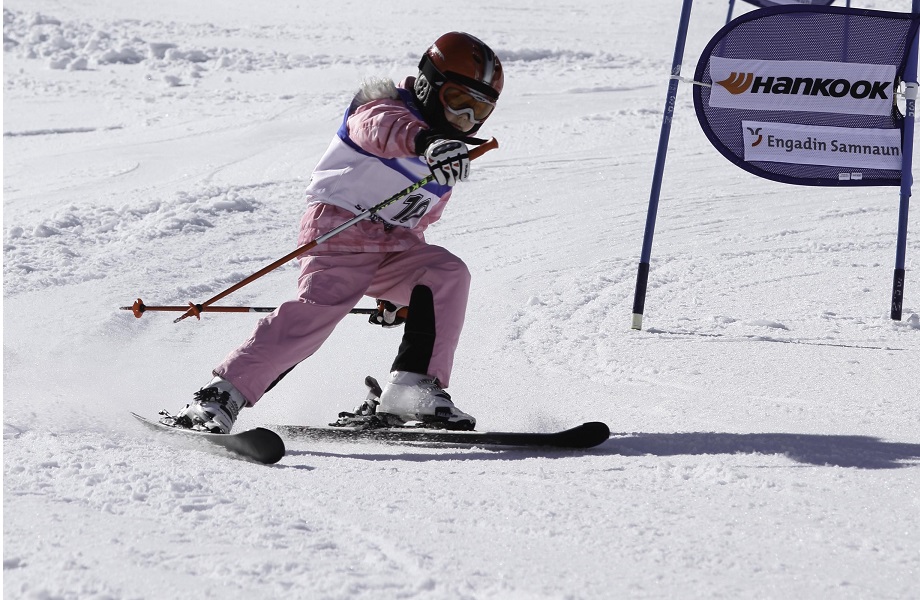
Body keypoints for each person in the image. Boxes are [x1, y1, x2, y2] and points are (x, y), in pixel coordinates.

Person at [170, 32, 504, 434]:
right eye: (458, 101)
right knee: (317, 313)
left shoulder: (447, 154)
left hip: (394, 246)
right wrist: (427, 142)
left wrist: (405, 295)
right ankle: (220, 396)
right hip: (340, 232)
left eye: (479, 110)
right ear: (427, 86)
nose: (466, 118)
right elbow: (377, 128)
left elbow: (418, 220)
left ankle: (412, 388)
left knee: (446, 275)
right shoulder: (384, 107)